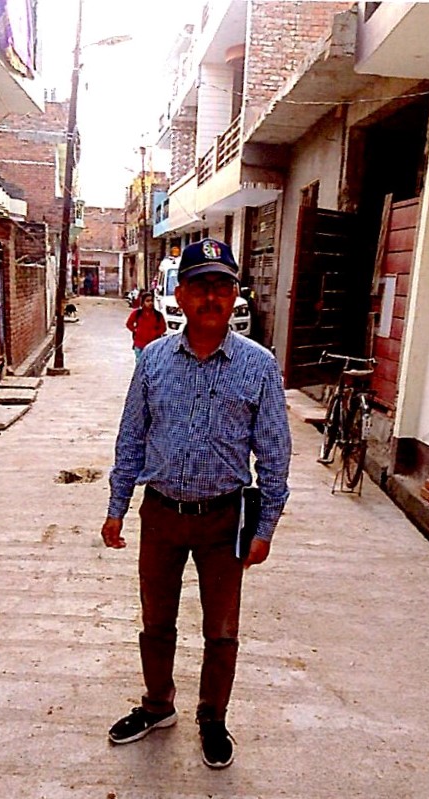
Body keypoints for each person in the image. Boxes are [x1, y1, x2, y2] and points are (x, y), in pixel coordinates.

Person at [101, 238, 291, 769]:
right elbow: (131, 438)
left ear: (235, 296)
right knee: (156, 621)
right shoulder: (153, 360)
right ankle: (157, 705)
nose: (211, 297)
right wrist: (117, 505)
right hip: (161, 515)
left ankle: (213, 717)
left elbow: (274, 452)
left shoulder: (258, 366)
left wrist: (265, 527)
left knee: (221, 630)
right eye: (200, 287)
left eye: (221, 287)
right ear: (180, 296)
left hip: (224, 522)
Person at [126, 291, 167, 363]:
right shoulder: (137, 313)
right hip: (139, 344)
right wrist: (136, 330)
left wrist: (155, 333)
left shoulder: (158, 315)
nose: (150, 303)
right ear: (143, 302)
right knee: (140, 364)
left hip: (153, 345)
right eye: (147, 301)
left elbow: (163, 328)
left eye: (151, 301)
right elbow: (129, 324)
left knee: (151, 364)